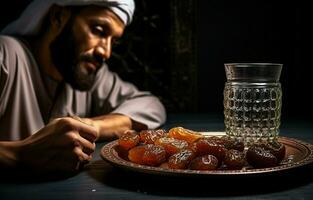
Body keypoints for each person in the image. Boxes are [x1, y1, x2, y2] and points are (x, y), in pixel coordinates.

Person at [0, 0, 166, 174]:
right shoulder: (6, 56)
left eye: (113, 41)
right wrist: (20, 155)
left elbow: (150, 104)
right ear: (58, 17)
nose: (106, 52)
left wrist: (90, 126)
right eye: (98, 31)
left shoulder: (88, 74)